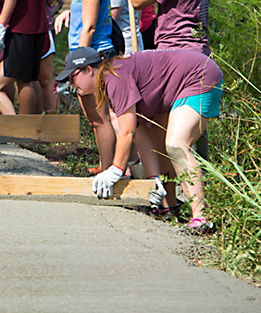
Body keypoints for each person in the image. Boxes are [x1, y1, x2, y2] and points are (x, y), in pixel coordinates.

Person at [57, 46, 223, 234]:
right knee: (161, 145)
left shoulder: (115, 77)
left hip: (199, 77)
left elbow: (128, 133)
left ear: (88, 70)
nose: (71, 84)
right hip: (176, 89)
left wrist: (115, 170)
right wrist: (154, 180)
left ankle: (201, 218)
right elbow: (140, 135)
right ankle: (168, 207)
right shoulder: (110, 80)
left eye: (72, 77)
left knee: (176, 145)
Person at [52, 0, 116, 168]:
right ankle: (107, 165)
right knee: (95, 118)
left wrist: (79, 63)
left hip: (93, 58)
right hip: (92, 57)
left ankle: (110, 170)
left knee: (100, 119)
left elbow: (89, 26)